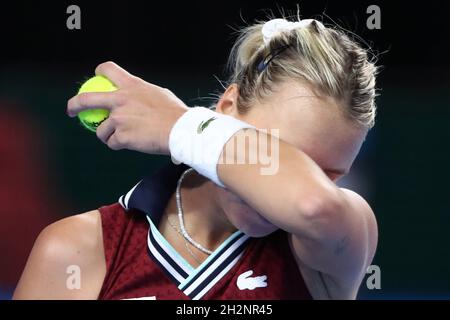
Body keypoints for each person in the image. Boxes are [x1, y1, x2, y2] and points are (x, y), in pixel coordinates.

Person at [13, 16, 378, 300]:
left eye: (325, 173)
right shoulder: (76, 249)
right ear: (227, 108)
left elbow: (312, 204)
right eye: (278, 151)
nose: (290, 179)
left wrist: (180, 124)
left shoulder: (331, 245)